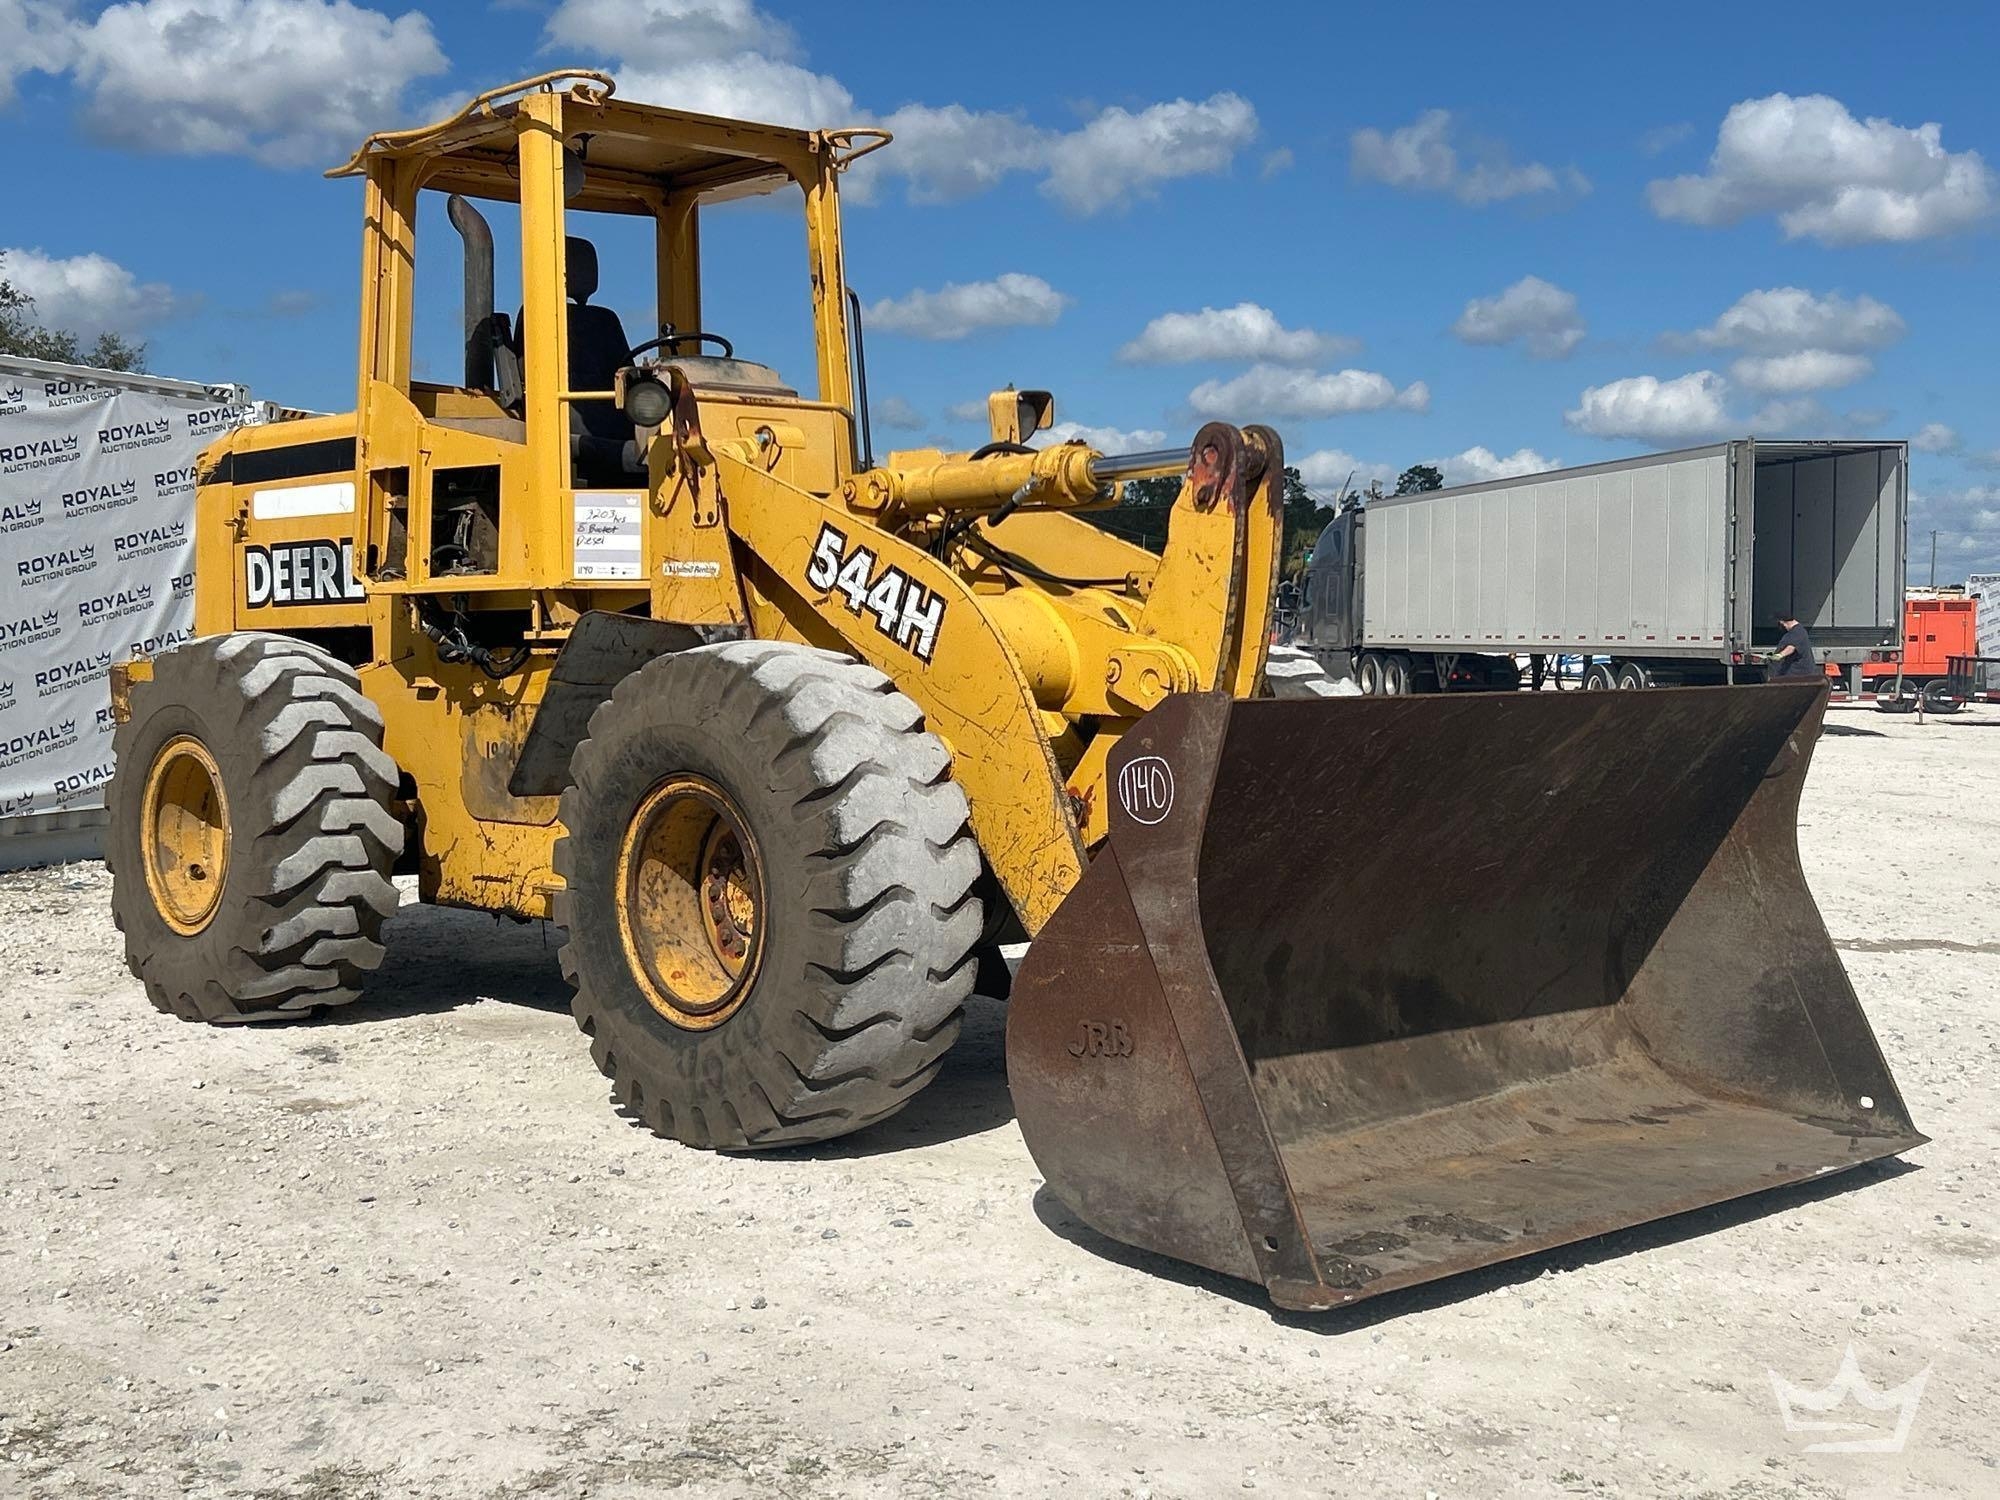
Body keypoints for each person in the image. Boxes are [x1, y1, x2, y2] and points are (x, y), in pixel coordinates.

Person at [1766, 613, 1817, 679]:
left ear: (1782, 622)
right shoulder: (1797, 631)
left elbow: (1791, 648)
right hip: (1794, 674)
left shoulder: (1797, 632)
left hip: (1797, 674)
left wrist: (1779, 655)